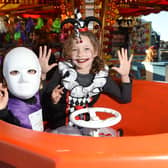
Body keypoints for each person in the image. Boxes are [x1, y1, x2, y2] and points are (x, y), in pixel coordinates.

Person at [42, 31, 133, 136]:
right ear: (69, 53)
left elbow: (124, 98)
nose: (80, 54)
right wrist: (53, 100)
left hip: (87, 126)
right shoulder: (62, 72)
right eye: (75, 50)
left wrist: (125, 76)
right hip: (60, 127)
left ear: (95, 52)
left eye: (86, 49)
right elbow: (42, 106)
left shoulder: (101, 76)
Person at [0, 46, 56, 131]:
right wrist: (2, 111)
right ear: (5, 79)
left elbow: (44, 112)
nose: (24, 79)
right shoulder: (7, 105)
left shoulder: (36, 96)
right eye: (15, 72)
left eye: (31, 71)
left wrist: (53, 102)